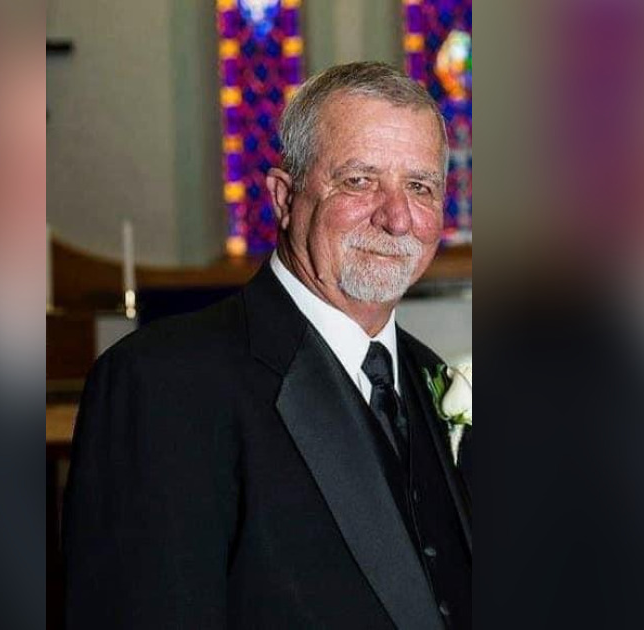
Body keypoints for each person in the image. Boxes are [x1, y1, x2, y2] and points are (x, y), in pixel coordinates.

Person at [63, 62, 470, 629]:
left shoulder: (434, 379)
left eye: (420, 187)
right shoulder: (162, 384)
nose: (397, 218)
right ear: (283, 197)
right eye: (360, 181)